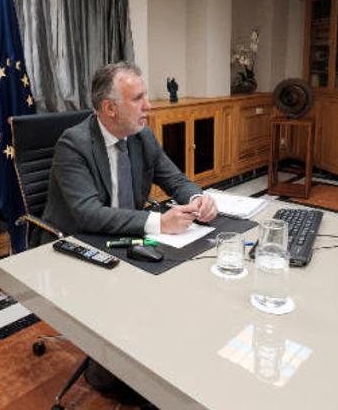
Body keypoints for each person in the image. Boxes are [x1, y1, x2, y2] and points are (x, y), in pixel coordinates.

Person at [42, 61, 217, 405]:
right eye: (137, 98)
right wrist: (157, 223)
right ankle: (110, 362)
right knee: (111, 379)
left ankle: (158, 356)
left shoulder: (142, 137)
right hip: (78, 242)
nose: (148, 106)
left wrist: (198, 198)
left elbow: (175, 179)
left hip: (128, 238)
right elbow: (87, 213)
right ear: (109, 109)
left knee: (185, 283)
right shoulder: (73, 144)